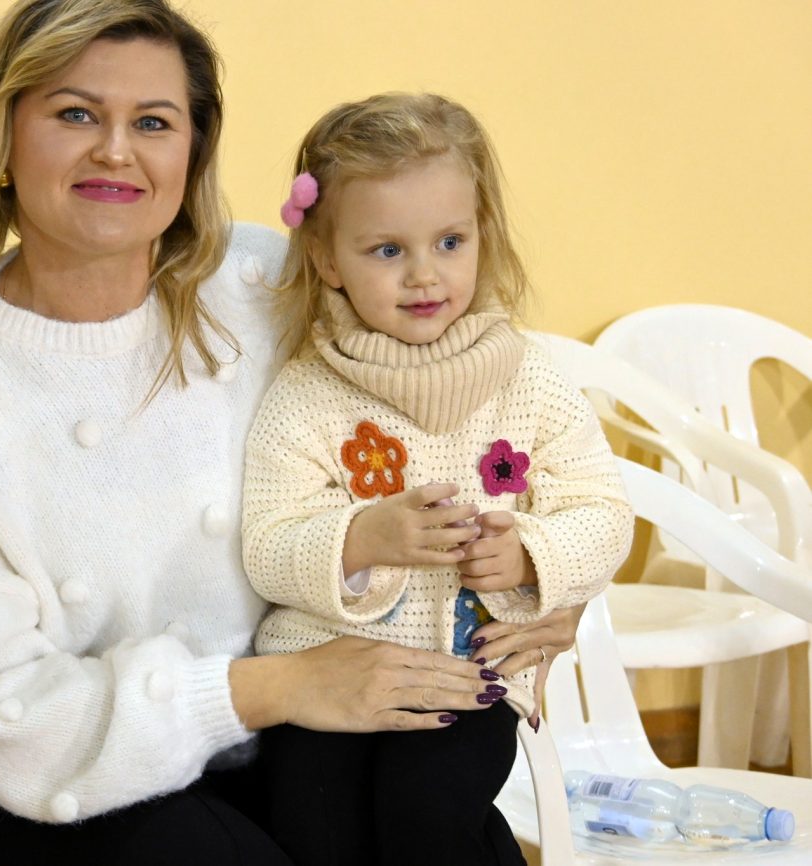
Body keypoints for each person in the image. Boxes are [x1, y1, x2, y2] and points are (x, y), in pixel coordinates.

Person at [0, 2, 590, 862]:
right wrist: (278, 687)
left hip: (309, 745)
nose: (116, 151)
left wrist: (548, 581)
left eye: (154, 123)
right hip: (85, 795)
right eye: (76, 114)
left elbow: (486, 424)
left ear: (193, 152)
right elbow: (11, 724)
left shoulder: (268, 286)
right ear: (3, 137)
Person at [241, 92, 635, 865]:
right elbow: (267, 544)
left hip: (470, 675)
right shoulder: (305, 396)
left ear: (482, 234)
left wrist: (531, 554)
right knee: (310, 821)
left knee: (424, 811)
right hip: (326, 668)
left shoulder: (528, 380)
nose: (425, 275)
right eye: (387, 250)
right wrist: (360, 539)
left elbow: (603, 510)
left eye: (450, 241)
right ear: (327, 259)